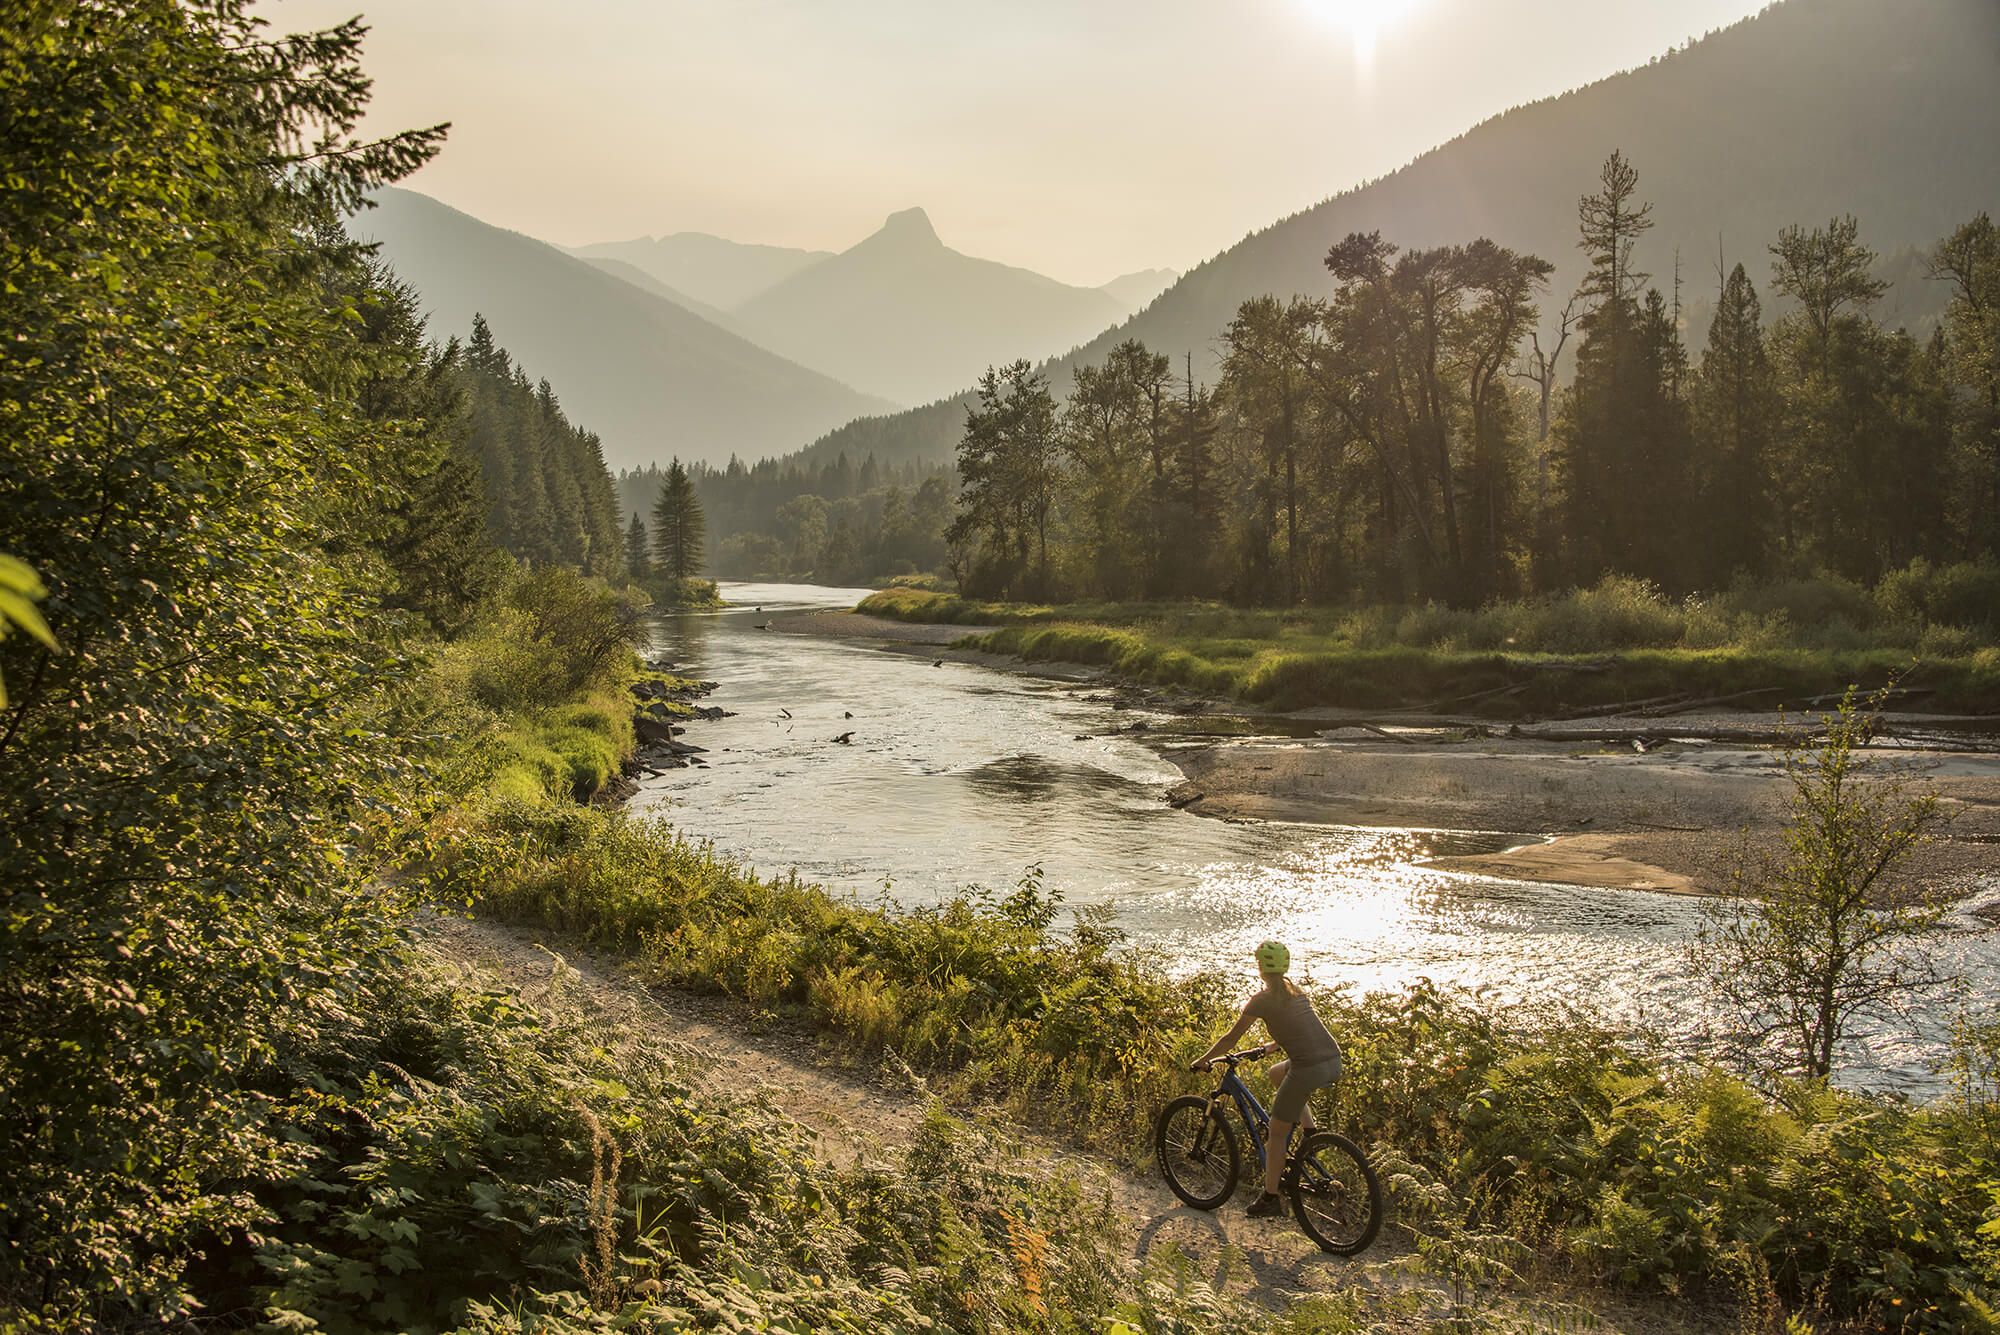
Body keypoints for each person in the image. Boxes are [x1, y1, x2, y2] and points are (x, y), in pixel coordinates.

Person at [1191, 940, 1343, 1218]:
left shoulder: (1262, 1000)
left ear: (1260, 967)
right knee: (1276, 1072)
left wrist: (1203, 1060)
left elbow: (1230, 1039)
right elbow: (1301, 1028)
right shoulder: (1295, 991)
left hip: (1308, 1068)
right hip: (1333, 1062)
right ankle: (1311, 1133)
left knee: (1276, 1132)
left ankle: (1271, 1198)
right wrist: (1274, 1045)